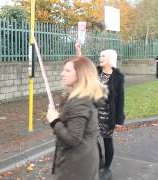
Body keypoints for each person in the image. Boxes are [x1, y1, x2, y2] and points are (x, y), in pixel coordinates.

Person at [46, 55, 106, 180]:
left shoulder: (79, 102)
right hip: (85, 158)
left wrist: (54, 121)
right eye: (63, 70)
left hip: (76, 166)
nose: (62, 74)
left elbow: (73, 139)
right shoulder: (82, 95)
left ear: (80, 75)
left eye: (67, 70)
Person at [75, 42, 125, 180]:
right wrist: (78, 50)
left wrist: (119, 120)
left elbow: (120, 99)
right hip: (94, 113)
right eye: (100, 56)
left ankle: (106, 167)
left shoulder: (118, 77)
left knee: (107, 140)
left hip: (108, 115)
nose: (100, 58)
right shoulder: (95, 72)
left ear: (110, 59)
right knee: (92, 139)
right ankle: (100, 161)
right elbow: (82, 66)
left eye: (103, 56)